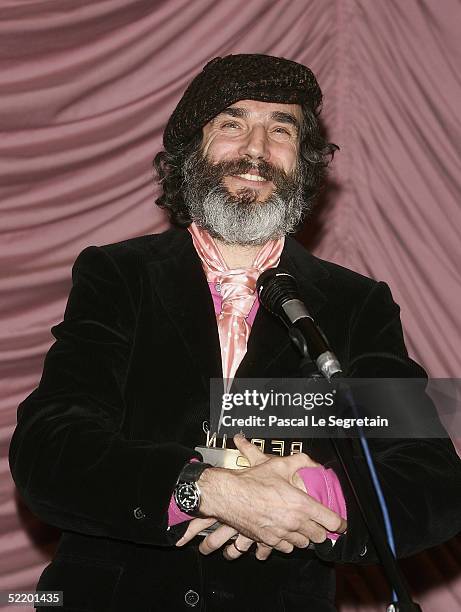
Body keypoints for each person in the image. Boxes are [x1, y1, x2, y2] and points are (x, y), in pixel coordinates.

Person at [8, 54, 461, 612]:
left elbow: (433, 482)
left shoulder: (353, 305)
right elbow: (50, 450)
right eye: (232, 123)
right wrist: (207, 490)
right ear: (191, 152)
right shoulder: (119, 275)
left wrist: (314, 500)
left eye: (281, 129)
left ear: (305, 161)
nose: (256, 149)